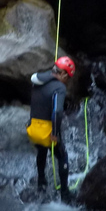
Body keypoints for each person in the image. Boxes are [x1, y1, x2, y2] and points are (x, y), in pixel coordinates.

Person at [26, 56, 76, 203]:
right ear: (64, 74)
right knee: (62, 156)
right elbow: (57, 111)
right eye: (68, 78)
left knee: (41, 151)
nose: (67, 81)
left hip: (33, 129)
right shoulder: (60, 87)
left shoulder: (38, 82)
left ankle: (41, 184)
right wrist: (55, 133)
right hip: (47, 131)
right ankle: (65, 194)